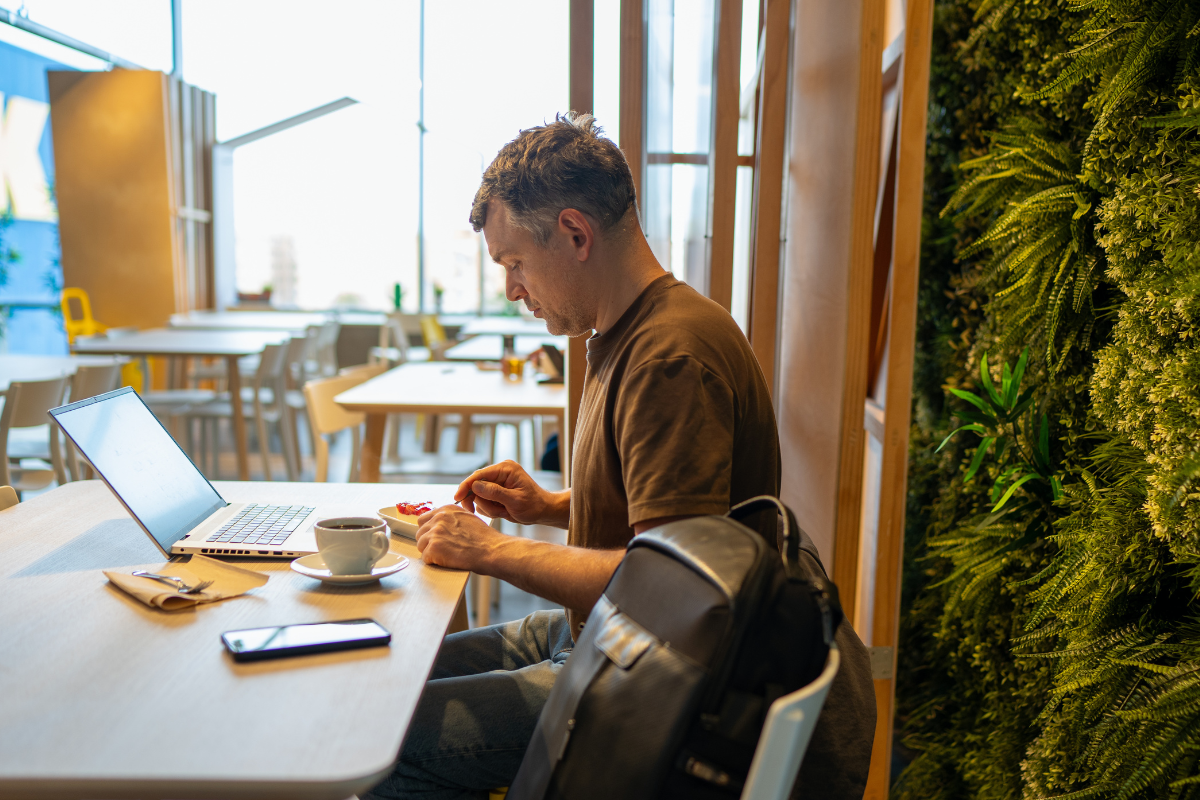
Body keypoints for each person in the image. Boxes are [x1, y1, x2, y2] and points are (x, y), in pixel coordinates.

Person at [364, 113, 874, 800]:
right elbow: (683, 523)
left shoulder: (669, 358)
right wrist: (552, 507)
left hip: (653, 676)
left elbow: (666, 594)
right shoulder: (635, 330)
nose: (513, 290)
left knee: (391, 741)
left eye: (515, 264)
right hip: (608, 639)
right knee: (392, 676)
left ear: (575, 234)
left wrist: (489, 551)